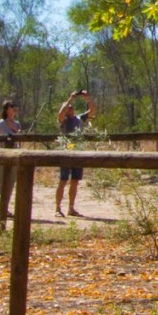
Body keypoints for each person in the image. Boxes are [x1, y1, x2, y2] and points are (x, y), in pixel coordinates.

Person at [56, 89, 96, 218]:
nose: (70, 108)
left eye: (71, 107)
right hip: (66, 153)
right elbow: (60, 115)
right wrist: (70, 99)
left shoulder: (80, 119)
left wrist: (87, 98)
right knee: (63, 180)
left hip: (78, 153)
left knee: (75, 181)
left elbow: (93, 111)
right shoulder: (64, 121)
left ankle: (71, 208)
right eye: (68, 107)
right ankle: (57, 208)